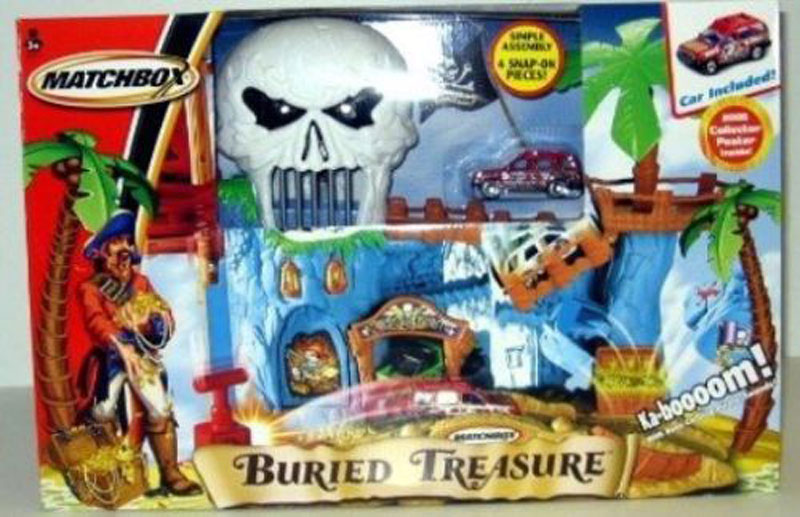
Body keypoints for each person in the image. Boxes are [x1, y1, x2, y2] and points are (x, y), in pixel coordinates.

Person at [78, 211, 201, 496]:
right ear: (103, 250)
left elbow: (165, 318)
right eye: (116, 242)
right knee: (103, 410)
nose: (124, 248)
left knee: (160, 409)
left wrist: (149, 323)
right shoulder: (91, 288)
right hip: (111, 358)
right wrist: (122, 346)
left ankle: (170, 474)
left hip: (142, 357)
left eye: (126, 241)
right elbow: (97, 322)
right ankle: (108, 471)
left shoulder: (142, 284)